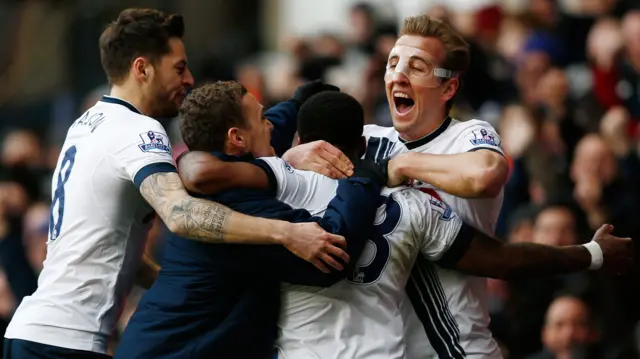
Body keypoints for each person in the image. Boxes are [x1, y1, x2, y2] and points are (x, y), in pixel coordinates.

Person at [179, 90, 633, 359]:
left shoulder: (277, 184)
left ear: (300, 139)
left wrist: (284, 161)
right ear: (364, 139)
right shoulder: (411, 204)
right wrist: (591, 254)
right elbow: (504, 260)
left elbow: (199, 170)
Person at [3, 9, 349, 359]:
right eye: (180, 68)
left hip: (32, 331)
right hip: (66, 341)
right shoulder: (138, 129)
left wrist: (184, 284)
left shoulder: (85, 124)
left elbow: (118, 252)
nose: (189, 79)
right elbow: (181, 214)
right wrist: (286, 233)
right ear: (142, 68)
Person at [279, 15, 509, 359]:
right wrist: (292, 156)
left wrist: (402, 166)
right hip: (393, 350)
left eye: (416, 67)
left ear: (448, 88)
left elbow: (485, 176)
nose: (398, 75)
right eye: (393, 63)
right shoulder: (367, 140)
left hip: (460, 349)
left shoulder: (468, 136)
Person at [114, 81, 388, 359]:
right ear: (236, 139)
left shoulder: (227, 170)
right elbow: (332, 252)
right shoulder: (236, 200)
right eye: (262, 118)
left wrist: (298, 102)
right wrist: (365, 176)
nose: (271, 125)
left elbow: (264, 136)